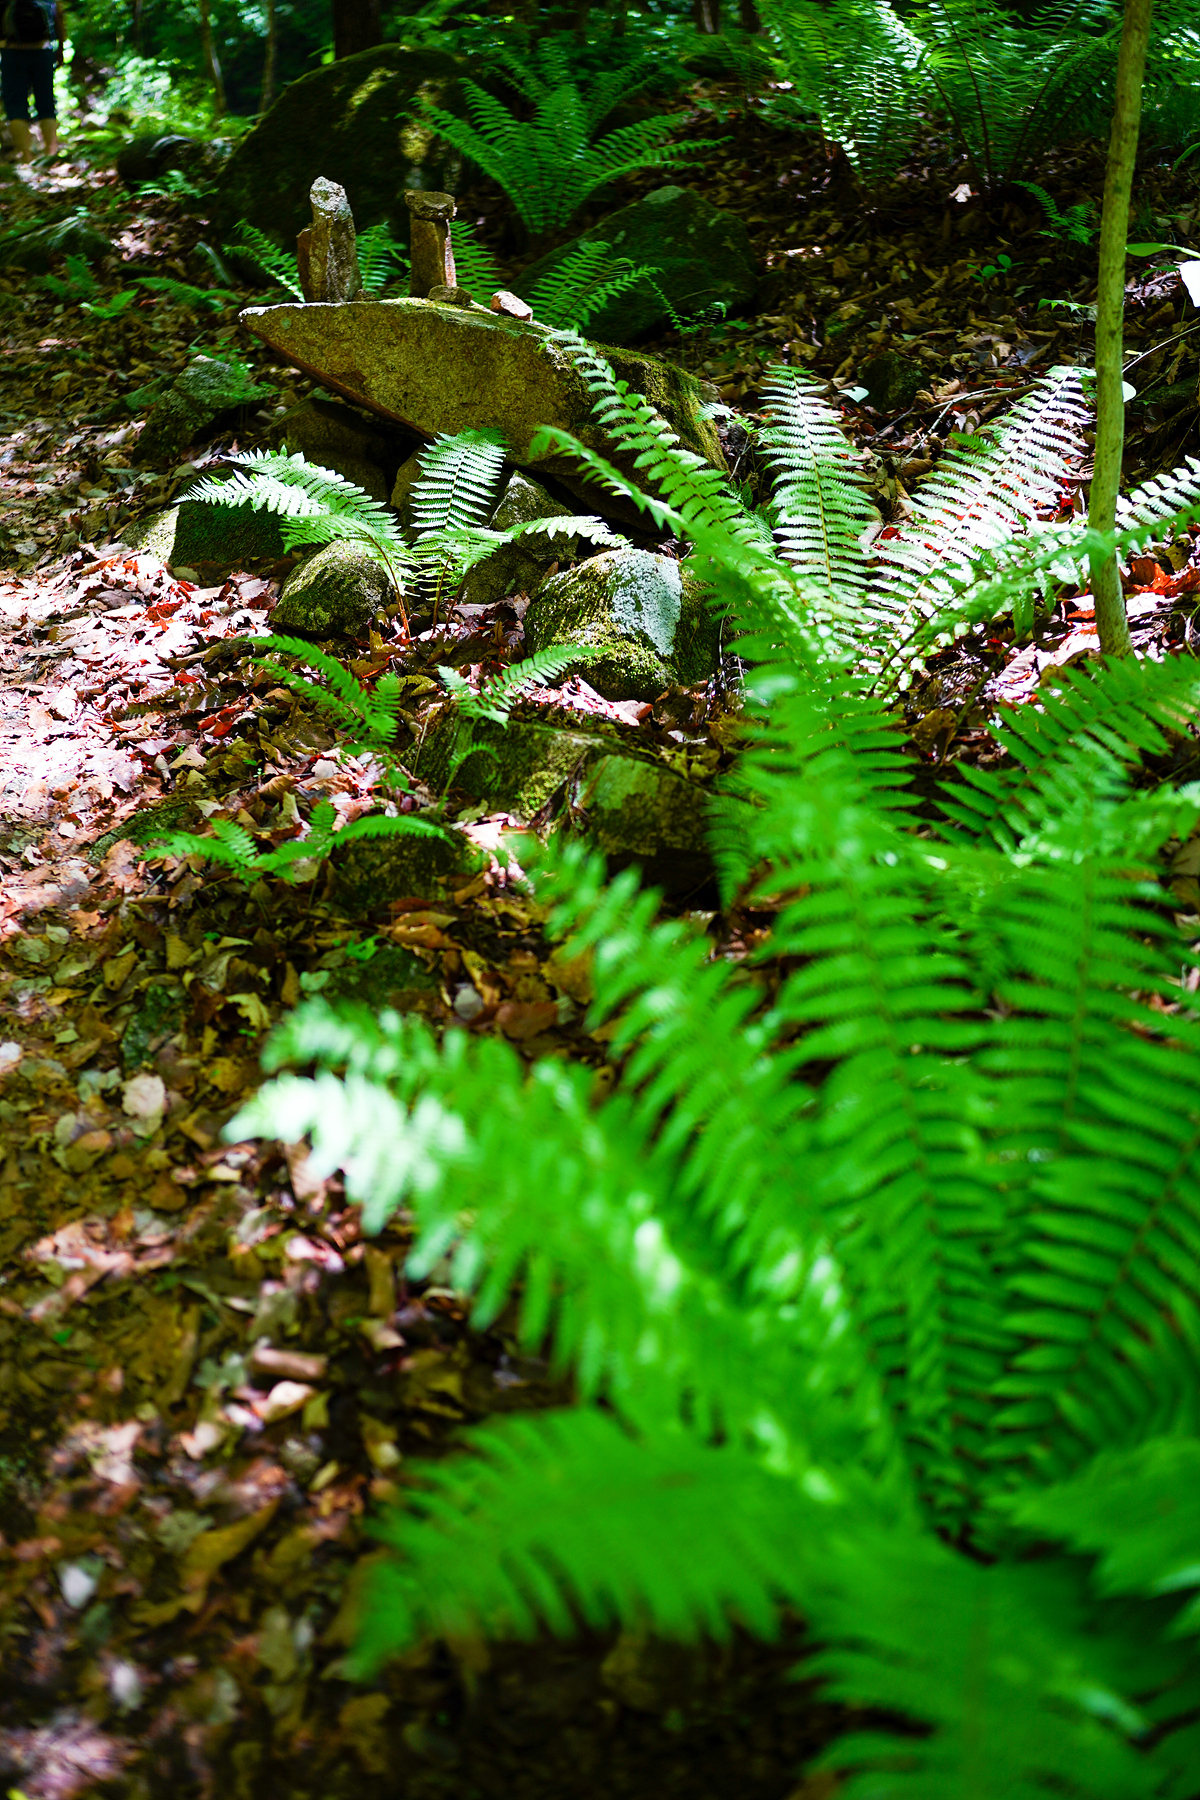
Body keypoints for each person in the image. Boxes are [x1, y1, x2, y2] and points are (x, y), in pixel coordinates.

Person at [1, 0, 64, 165]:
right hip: (41, 50)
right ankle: (50, 154)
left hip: (11, 51)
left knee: (16, 107)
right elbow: (59, 17)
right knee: (46, 104)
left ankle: (26, 157)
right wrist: (61, 48)